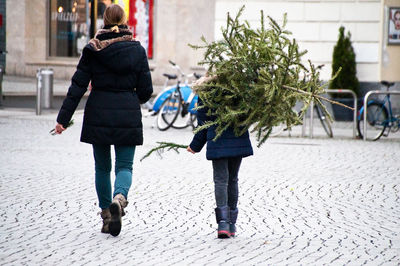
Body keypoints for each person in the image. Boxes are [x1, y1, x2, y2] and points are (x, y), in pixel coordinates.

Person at [54, 4, 153, 237]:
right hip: (127, 113)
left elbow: (77, 86)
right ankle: (119, 198)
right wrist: (131, 99)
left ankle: (107, 217)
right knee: (125, 166)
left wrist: (63, 119)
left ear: (104, 21)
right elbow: (147, 90)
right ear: (124, 20)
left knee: (102, 167)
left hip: (98, 111)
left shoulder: (93, 49)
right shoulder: (137, 50)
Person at [187, 95, 253, 238]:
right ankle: (232, 224)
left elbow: (204, 123)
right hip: (238, 137)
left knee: (221, 180)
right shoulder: (241, 87)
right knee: (233, 179)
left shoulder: (208, 90)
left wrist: (195, 145)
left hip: (217, 140)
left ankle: (223, 223)